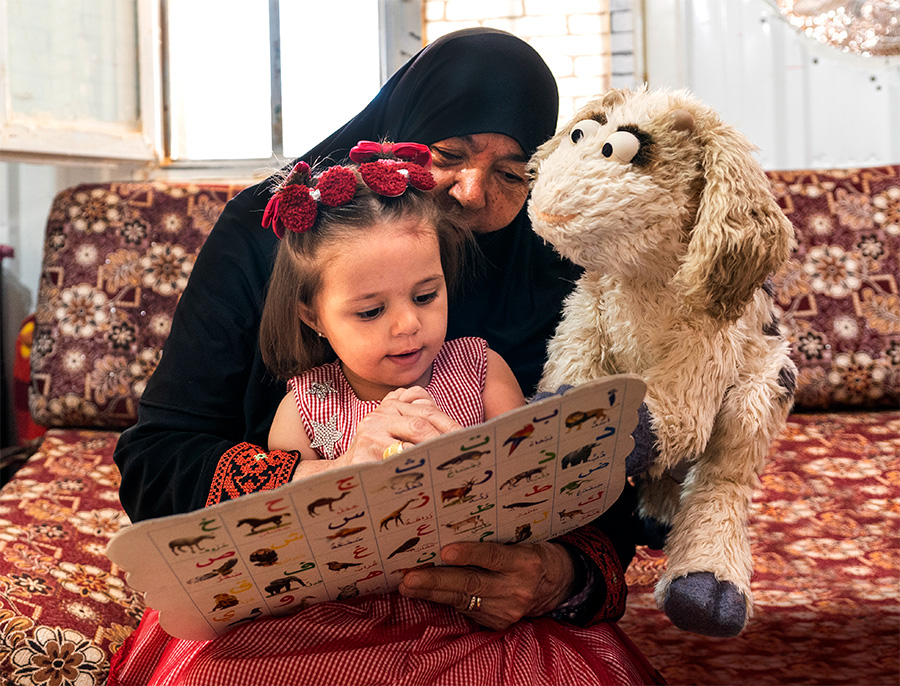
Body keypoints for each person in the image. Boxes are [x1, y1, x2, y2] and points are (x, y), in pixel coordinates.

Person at [111, 27, 663, 685]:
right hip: (300, 612)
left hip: (479, 618)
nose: (470, 193)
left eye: (514, 174)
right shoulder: (273, 239)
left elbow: (595, 471)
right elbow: (159, 458)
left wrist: (554, 574)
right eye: (448, 154)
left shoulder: (553, 265)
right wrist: (322, 482)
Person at [262, 150, 525, 465]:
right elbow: (294, 507)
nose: (408, 324)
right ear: (313, 316)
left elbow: (527, 469)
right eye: (371, 311)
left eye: (425, 296)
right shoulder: (302, 413)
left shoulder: (481, 371)